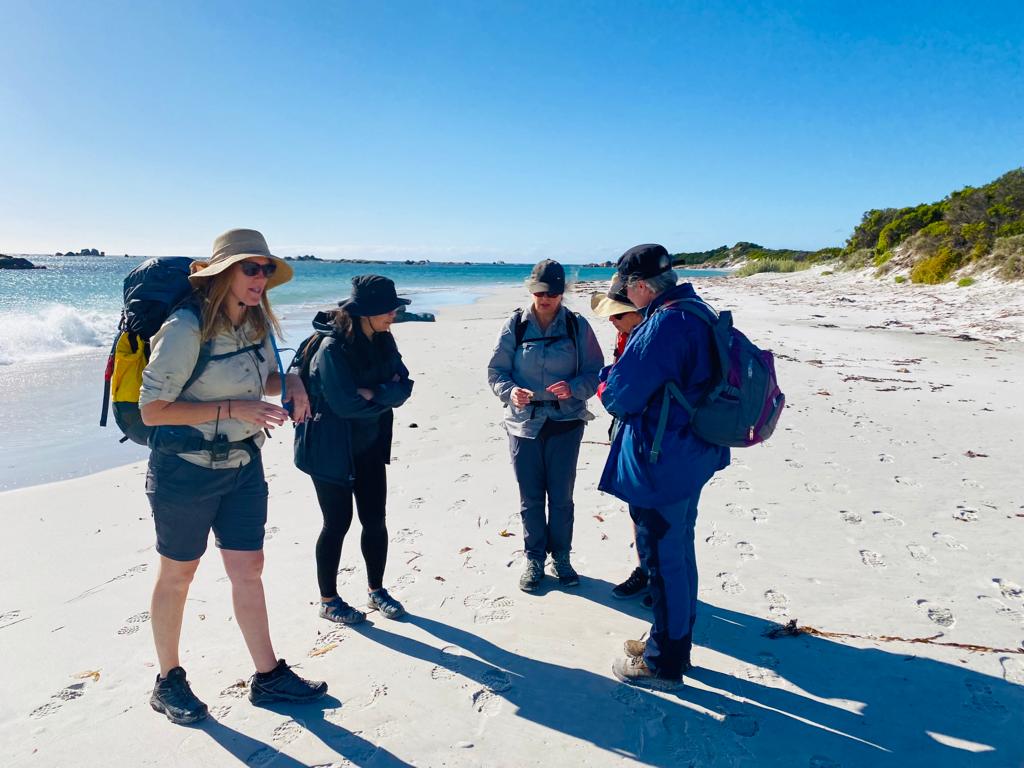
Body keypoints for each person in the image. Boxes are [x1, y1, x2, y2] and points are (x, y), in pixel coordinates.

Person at [140, 228, 327, 725]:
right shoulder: (185, 327)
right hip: (185, 470)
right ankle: (168, 681)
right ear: (223, 272)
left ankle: (268, 677)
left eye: (266, 269)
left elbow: (260, 379)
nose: (261, 278)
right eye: (251, 268)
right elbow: (153, 409)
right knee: (179, 573)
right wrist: (233, 407)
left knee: (249, 568)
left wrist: (291, 380)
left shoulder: (256, 324)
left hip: (243, 464)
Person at [598, 244, 730, 691]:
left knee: (663, 558)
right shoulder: (694, 308)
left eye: (625, 289)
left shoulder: (665, 322)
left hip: (665, 459)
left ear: (639, 286)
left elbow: (620, 395)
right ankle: (672, 642)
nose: (623, 298)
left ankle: (664, 661)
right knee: (679, 553)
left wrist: (603, 379)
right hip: (692, 453)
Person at [293, 275, 414, 624]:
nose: (394, 314)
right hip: (329, 450)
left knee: (375, 520)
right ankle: (328, 600)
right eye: (388, 309)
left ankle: (376, 591)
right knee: (337, 523)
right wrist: (383, 394)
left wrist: (372, 393)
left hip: (370, 445)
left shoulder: (384, 339)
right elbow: (345, 405)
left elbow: (405, 386)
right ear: (366, 312)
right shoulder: (332, 349)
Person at [487, 259, 604, 592]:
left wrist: (574, 388)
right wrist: (511, 392)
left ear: (562, 292)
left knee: (562, 497)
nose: (545, 298)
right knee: (531, 498)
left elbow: (596, 372)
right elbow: (496, 372)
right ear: (531, 289)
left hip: (566, 421)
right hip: (523, 424)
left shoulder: (576, 326)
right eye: (539, 291)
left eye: (552, 292)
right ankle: (535, 559)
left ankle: (562, 557)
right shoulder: (516, 325)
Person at [589, 281, 650, 602]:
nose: (611, 320)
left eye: (616, 315)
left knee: (658, 513)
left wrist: (604, 385)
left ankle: (661, 578)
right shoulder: (627, 335)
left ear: (635, 312)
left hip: (654, 436)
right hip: (629, 430)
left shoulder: (654, 340)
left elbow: (621, 396)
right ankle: (646, 569)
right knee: (636, 506)